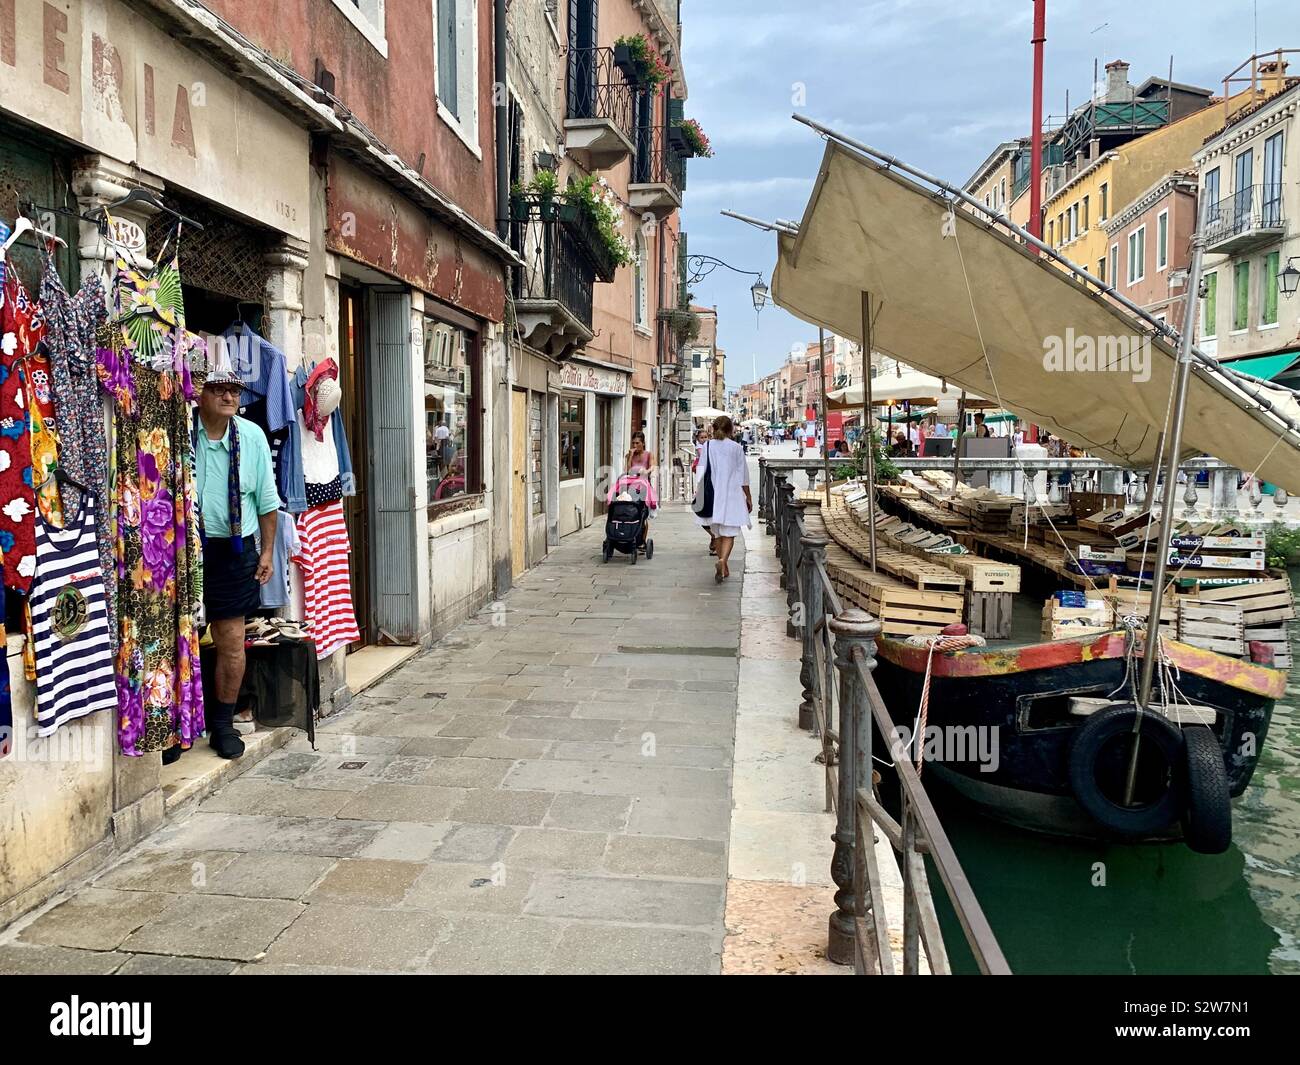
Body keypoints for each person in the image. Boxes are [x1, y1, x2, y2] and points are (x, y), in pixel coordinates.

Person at [194, 370, 281, 760]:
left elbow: (266, 500)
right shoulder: (181, 434)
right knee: (178, 640)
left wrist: (266, 552)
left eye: (234, 390)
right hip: (183, 549)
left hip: (234, 550)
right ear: (200, 393)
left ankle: (223, 724)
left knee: (230, 641)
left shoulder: (252, 437)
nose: (229, 396)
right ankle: (178, 725)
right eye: (219, 389)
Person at [694, 415, 752, 581]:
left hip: (712, 494)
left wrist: (698, 490)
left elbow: (701, 468)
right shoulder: (736, 447)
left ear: (713, 428)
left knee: (717, 533)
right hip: (732, 494)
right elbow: (743, 476)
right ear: (730, 429)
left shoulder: (708, 446)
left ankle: (723, 566)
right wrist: (748, 497)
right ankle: (723, 560)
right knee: (730, 532)